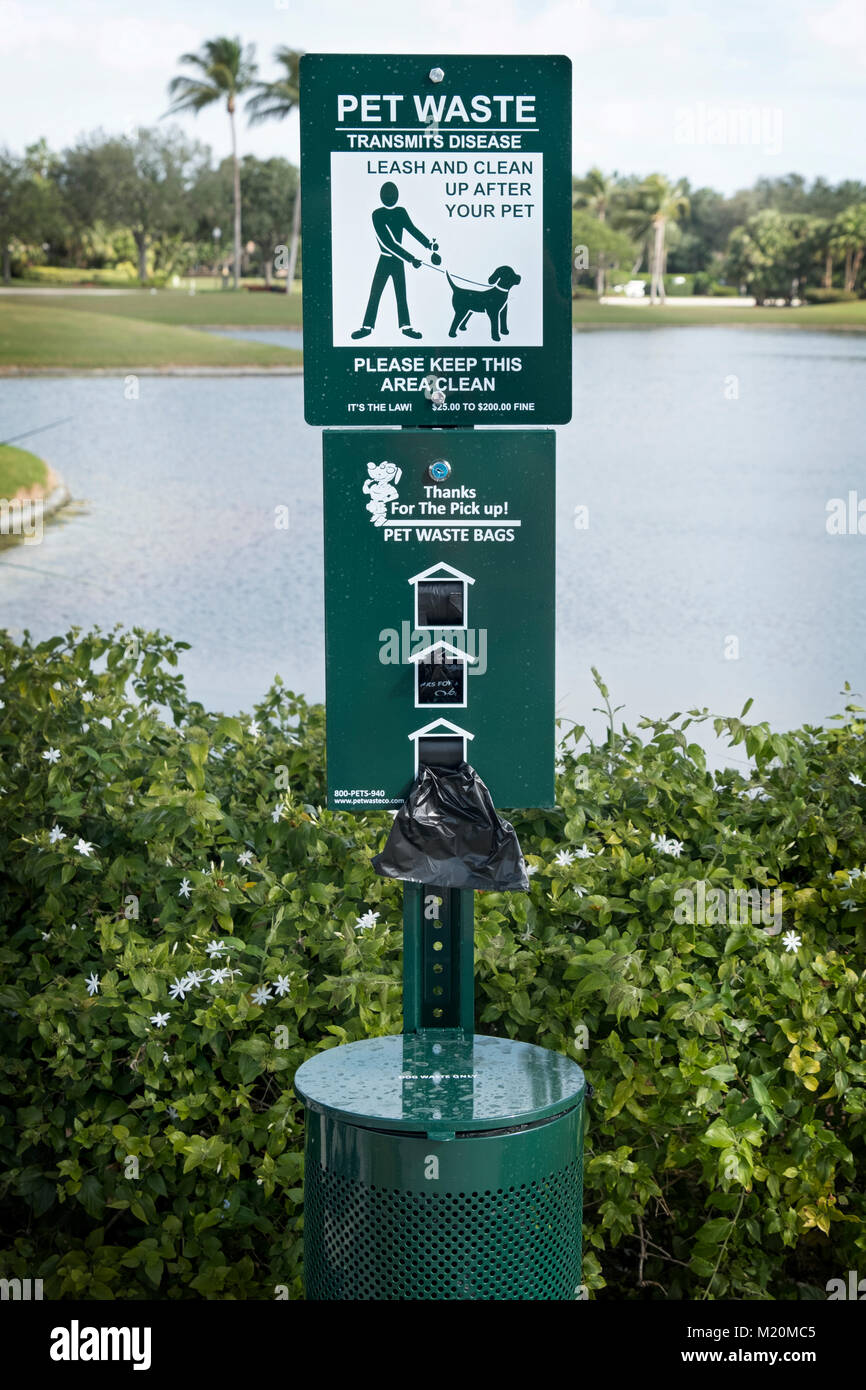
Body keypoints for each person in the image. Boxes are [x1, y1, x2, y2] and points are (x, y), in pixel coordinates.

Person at [351, 182, 432, 340]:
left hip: (398, 262)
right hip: (385, 259)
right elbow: (389, 243)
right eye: (387, 195)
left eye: (392, 195)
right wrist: (411, 259)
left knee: (401, 295)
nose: (390, 197)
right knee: (375, 293)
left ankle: (406, 327)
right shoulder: (377, 214)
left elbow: (412, 229)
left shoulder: (401, 212)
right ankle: (367, 327)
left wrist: (429, 244)